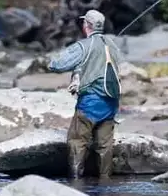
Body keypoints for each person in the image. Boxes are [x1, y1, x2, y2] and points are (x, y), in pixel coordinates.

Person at [47, 9, 122, 179]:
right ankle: (105, 183)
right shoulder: (112, 44)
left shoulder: (84, 46)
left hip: (90, 103)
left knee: (77, 142)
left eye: (83, 22)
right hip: (111, 103)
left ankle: (76, 182)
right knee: (104, 146)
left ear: (86, 25)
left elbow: (56, 65)